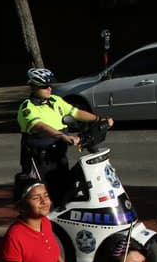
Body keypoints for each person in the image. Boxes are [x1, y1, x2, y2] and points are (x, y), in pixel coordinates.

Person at [17, 67, 112, 207]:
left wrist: (99, 119)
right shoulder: (28, 108)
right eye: (44, 86)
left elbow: (76, 113)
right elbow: (40, 126)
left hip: (58, 155)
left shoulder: (55, 100)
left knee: (65, 190)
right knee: (44, 197)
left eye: (50, 85)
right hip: (40, 159)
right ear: (34, 87)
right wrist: (63, 136)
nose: (49, 88)